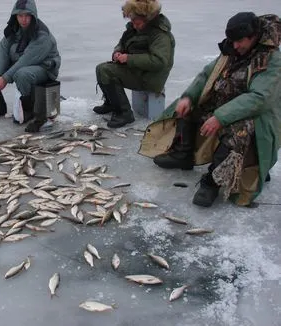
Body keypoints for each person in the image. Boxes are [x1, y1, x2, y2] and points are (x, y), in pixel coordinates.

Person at [139, 13, 281, 207]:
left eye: (240, 41)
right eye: (233, 41)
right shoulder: (232, 47)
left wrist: (219, 117)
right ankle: (183, 154)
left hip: (256, 117)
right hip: (223, 105)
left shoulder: (271, 59)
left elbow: (259, 99)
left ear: (254, 35)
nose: (235, 46)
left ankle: (212, 182)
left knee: (238, 131)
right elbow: (207, 74)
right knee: (185, 108)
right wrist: (188, 96)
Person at [0, 0, 61, 132]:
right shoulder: (14, 29)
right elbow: (2, 51)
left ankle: (28, 110)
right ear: (15, 16)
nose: (23, 19)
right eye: (20, 15)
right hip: (17, 65)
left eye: (27, 15)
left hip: (43, 68)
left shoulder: (42, 35)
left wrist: (5, 78)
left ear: (33, 15)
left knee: (22, 74)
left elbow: (27, 60)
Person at [93, 0, 175, 128]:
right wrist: (117, 52)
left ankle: (124, 113)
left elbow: (159, 61)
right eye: (132, 22)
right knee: (100, 69)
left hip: (150, 78)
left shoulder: (160, 34)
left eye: (137, 23)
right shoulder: (134, 28)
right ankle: (111, 103)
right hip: (137, 71)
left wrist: (129, 59)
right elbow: (122, 42)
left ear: (148, 19)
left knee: (106, 71)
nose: (134, 25)